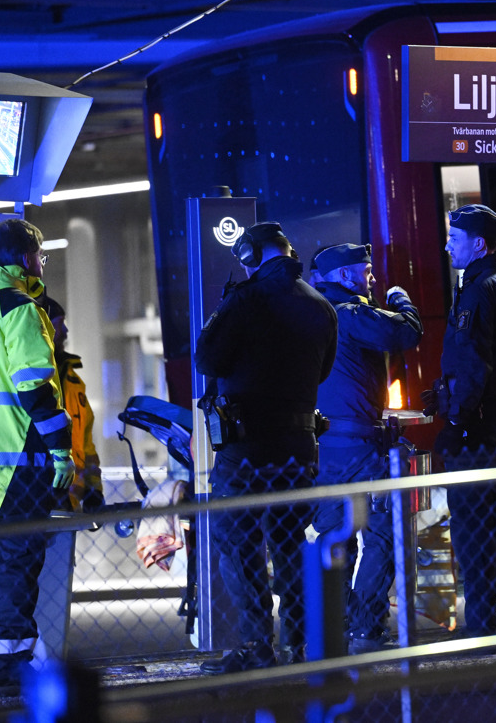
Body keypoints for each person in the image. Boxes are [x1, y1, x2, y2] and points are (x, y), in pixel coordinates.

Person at [195, 222, 338, 673]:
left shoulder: (246, 299)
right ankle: (299, 644)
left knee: (237, 541)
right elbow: (323, 373)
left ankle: (258, 644)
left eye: (243, 258)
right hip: (299, 446)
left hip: (246, 447)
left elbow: (206, 359)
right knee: (290, 542)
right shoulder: (321, 306)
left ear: (252, 254)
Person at [425, 203, 496, 642]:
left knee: (473, 525)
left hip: (476, 422)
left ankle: (479, 623)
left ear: (478, 243)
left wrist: (456, 419)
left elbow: (472, 362)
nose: (447, 245)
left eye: (454, 239)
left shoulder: (478, 291)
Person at [310, 243, 423, 655]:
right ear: (344, 277)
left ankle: (333, 624)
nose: (372, 278)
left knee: (334, 535)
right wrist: (401, 300)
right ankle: (366, 624)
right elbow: (405, 332)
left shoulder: (314, 317)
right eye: (367, 271)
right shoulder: (352, 314)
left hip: (325, 447)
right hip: (360, 446)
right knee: (384, 533)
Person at [0, 220, 71, 698]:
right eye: (40, 256)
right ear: (23, 258)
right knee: (16, 563)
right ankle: (12, 674)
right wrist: (61, 450)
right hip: (16, 459)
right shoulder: (16, 304)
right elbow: (35, 386)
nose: (41, 265)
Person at [36, 296, 103, 514]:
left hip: (68, 504)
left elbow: (86, 444)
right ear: (43, 327)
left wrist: (94, 489)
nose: (65, 331)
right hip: (34, 500)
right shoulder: (28, 379)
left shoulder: (74, 382)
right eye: (59, 323)